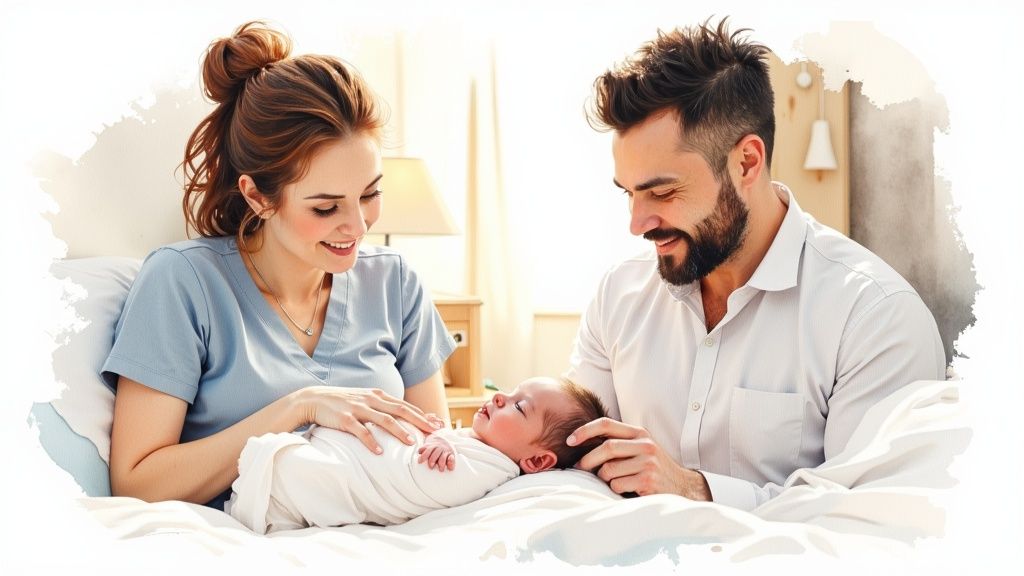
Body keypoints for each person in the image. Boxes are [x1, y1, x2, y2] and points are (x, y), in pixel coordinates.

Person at [564, 18, 946, 511]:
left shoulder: (874, 316)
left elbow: (870, 515)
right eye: (630, 194)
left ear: (747, 162)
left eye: (662, 191)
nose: (638, 223)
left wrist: (693, 489)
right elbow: (569, 459)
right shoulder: (618, 295)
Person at [101, 21, 456, 512]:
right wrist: (297, 407)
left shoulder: (394, 282)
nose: (357, 225)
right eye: (325, 208)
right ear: (257, 196)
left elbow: (438, 454)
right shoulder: (184, 283)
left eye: (370, 194)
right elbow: (138, 484)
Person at [225, 376, 609, 533]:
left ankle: (281, 482)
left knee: (305, 470)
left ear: (539, 462)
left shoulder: (491, 470)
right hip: (335, 446)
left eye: (518, 408)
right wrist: (435, 430)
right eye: (509, 392)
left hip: (342, 477)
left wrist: (434, 442)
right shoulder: (482, 444)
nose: (498, 397)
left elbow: (422, 478)